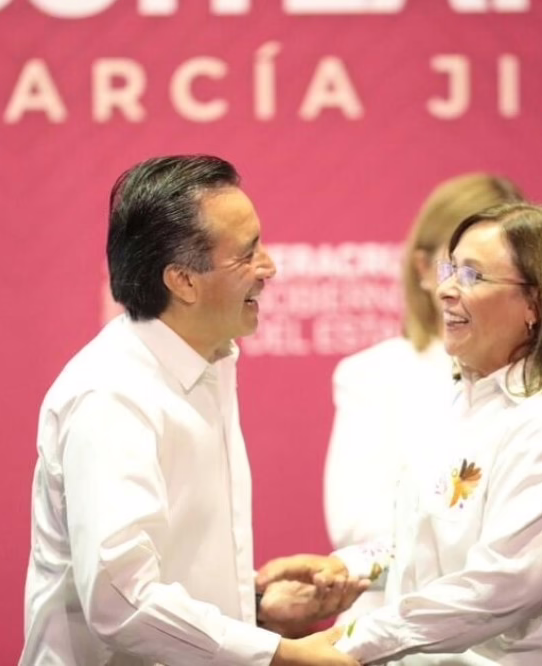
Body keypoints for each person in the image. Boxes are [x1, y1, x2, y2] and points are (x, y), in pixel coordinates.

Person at [21, 155, 362, 666]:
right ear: (183, 281)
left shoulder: (209, 361)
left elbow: (168, 567)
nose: (269, 268)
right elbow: (121, 601)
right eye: (247, 254)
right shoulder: (112, 395)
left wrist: (255, 607)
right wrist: (277, 654)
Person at [270, 202, 542, 665]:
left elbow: (502, 585)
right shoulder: (459, 398)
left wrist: (351, 643)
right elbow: (432, 540)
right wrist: (350, 566)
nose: (445, 290)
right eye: (450, 269)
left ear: (534, 304)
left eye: (473, 276)